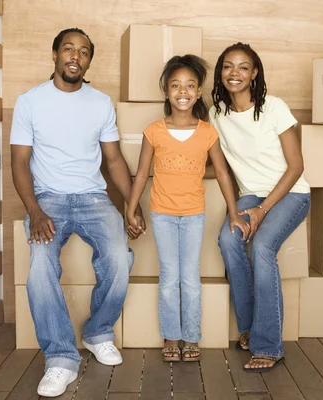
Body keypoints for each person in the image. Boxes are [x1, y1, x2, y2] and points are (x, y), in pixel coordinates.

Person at [10, 28, 145, 397]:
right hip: (48, 198)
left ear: (88, 61)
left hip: (92, 197)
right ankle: (60, 359)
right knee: (40, 263)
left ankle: (98, 331)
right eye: (68, 49)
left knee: (119, 256)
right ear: (54, 54)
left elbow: (114, 159)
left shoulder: (100, 103)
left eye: (83, 52)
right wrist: (34, 211)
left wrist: (132, 205)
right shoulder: (30, 101)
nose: (75, 56)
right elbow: (20, 163)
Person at [126, 55, 249, 363]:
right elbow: (142, 173)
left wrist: (234, 213)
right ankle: (170, 336)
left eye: (190, 86)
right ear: (166, 92)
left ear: (198, 92)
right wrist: (131, 208)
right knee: (169, 276)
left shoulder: (207, 132)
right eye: (176, 85)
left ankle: (191, 335)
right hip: (162, 214)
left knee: (190, 277)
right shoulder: (153, 131)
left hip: (194, 214)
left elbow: (221, 172)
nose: (183, 91)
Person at [209, 43, 310, 372]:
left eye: (242, 67)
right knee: (227, 240)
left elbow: (296, 166)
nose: (234, 73)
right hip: (251, 195)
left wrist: (263, 209)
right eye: (227, 66)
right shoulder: (216, 114)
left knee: (263, 247)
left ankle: (269, 345)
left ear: (254, 74)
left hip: (291, 193)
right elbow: (218, 165)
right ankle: (250, 329)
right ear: (220, 73)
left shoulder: (274, 108)